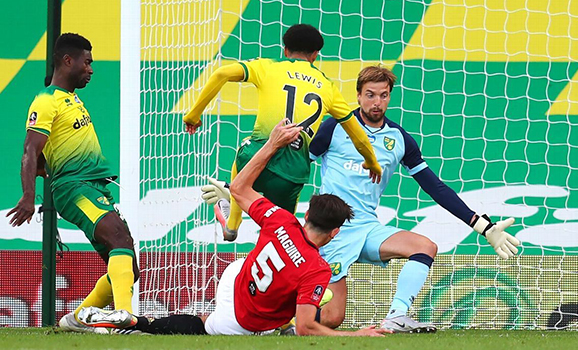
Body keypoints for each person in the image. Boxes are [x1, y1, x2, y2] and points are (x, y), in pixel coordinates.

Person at [77, 120, 391, 337]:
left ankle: (231, 223)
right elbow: (308, 327)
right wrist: (357, 333)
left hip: (236, 275)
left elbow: (240, 186)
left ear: (306, 214)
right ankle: (136, 321)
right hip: (242, 317)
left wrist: (271, 144)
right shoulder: (317, 269)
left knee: (270, 280)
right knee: (202, 327)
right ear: (335, 233)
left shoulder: (282, 219)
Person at [308, 66, 521, 333]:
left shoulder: (399, 138)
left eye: (383, 95)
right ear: (359, 95)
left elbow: (435, 187)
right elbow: (300, 166)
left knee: (425, 246)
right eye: (370, 95)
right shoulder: (334, 127)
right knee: (330, 319)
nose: (377, 103)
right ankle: (278, 320)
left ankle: (396, 316)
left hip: (367, 227)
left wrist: (482, 226)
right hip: (332, 231)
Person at [183, 24, 382, 242]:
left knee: (244, 149)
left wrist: (193, 116)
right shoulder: (328, 86)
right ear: (315, 55)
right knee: (281, 232)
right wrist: (372, 162)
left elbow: (221, 73)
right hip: (291, 172)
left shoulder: (268, 66)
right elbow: (357, 135)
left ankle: (232, 223)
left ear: (285, 50)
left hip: (256, 158)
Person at [6, 33, 139, 332]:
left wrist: (43, 166)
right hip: (74, 188)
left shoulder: (72, 100)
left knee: (129, 266)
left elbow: (42, 156)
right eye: (87, 62)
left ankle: (76, 320)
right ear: (68, 60)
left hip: (93, 186)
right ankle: (126, 321)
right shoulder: (46, 100)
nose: (91, 69)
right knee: (118, 237)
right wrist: (29, 195)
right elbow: (30, 149)